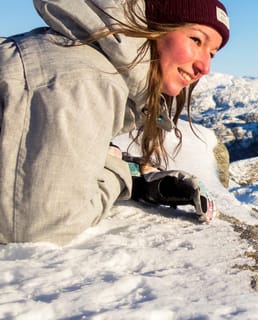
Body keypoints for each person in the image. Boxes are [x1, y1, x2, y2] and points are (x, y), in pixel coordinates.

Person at [0, 0, 231, 244]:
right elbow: (38, 224)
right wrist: (123, 176)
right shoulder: (87, 80)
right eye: (196, 40)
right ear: (155, 27)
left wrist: (137, 178)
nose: (204, 67)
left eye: (211, 54)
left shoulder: (82, 59)